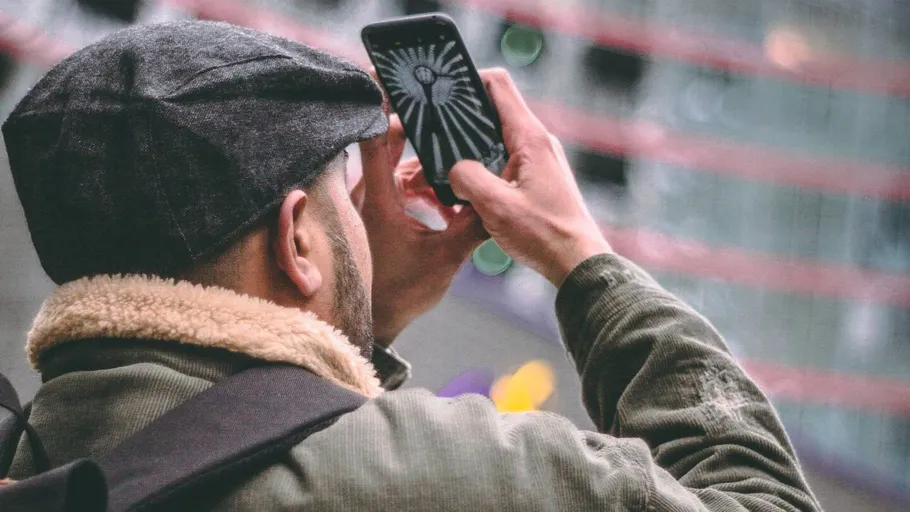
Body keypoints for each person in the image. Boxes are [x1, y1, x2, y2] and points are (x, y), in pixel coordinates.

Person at [2, 21, 820, 511]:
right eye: (346, 197)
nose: (363, 221)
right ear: (297, 242)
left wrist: (356, 307)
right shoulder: (453, 474)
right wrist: (581, 259)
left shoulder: (30, 459)